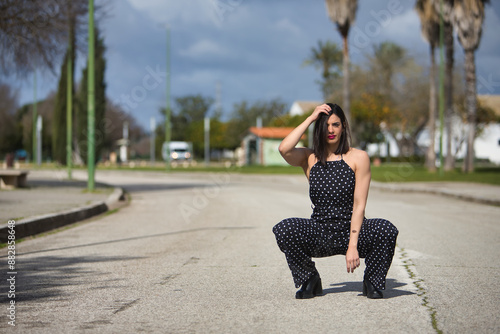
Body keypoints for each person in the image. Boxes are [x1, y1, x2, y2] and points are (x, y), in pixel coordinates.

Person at [272, 103, 398, 299]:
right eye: (325, 125)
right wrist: (311, 118)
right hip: (321, 231)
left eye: (335, 124)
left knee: (386, 229)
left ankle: (372, 281)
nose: (330, 130)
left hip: (353, 229)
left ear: (344, 126)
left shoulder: (359, 157)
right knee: (284, 228)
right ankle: (309, 279)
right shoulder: (309, 157)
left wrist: (353, 245)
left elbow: (359, 205)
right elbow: (284, 148)